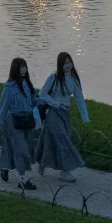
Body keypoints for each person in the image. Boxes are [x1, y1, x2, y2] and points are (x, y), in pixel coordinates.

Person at [38, 52, 90, 182]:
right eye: (65, 63)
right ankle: (66, 171)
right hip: (53, 113)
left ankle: (43, 161)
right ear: (60, 64)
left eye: (69, 62)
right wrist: (55, 103)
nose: (68, 65)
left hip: (65, 114)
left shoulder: (74, 80)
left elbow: (79, 98)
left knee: (50, 140)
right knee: (63, 141)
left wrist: (85, 115)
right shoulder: (53, 77)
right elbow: (42, 94)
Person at [0, 58, 41, 188]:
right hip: (13, 123)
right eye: (21, 67)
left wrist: (45, 100)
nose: (24, 69)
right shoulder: (9, 88)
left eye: (25, 66)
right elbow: (3, 107)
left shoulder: (28, 85)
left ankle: (4, 167)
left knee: (13, 147)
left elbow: (33, 102)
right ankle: (23, 180)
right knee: (21, 149)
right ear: (15, 69)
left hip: (27, 122)